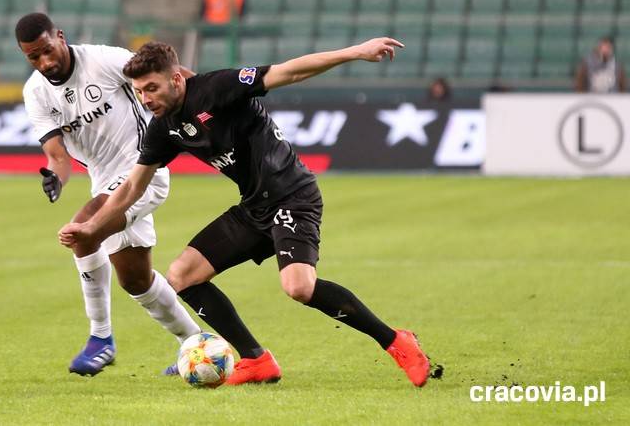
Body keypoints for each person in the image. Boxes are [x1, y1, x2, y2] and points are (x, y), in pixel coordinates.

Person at [59, 38, 434, 387]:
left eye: (152, 88)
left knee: (298, 287)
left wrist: (355, 52)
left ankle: (395, 341)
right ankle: (256, 359)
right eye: (139, 92)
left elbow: (289, 71)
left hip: (293, 195)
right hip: (254, 206)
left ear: (176, 78)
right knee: (182, 276)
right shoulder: (162, 129)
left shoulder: (217, 88)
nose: (145, 99)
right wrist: (92, 227)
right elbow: (131, 188)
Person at [18, 12, 202, 376]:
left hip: (144, 171)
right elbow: (58, 157)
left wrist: (210, 99)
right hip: (104, 183)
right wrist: (55, 177)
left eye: (48, 50)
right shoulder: (36, 92)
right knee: (136, 280)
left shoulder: (104, 60)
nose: (45, 62)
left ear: (60, 36)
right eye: (33, 58)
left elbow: (174, 77)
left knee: (81, 229)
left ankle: (100, 338)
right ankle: (196, 342)